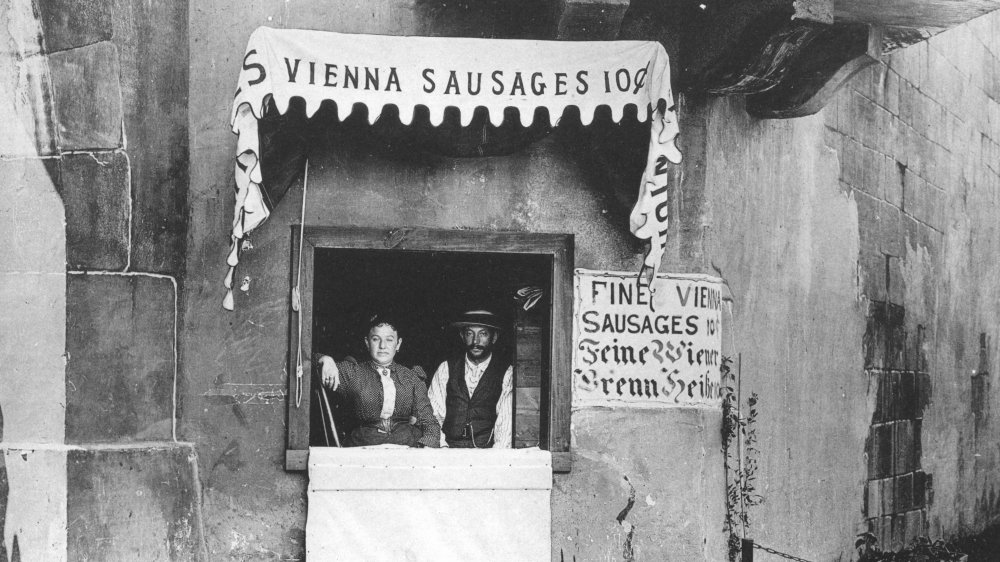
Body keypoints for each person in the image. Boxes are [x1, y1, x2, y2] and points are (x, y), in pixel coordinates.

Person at [315, 315, 440, 448]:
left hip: (406, 447)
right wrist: (324, 359)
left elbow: (429, 422)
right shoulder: (352, 373)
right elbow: (305, 362)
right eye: (376, 339)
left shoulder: (411, 377)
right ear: (367, 343)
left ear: (398, 344)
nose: (382, 346)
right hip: (363, 446)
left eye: (389, 340)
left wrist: (427, 448)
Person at [428, 310, 513, 448]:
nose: (475, 341)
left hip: (486, 453)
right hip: (449, 451)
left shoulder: (506, 372)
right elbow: (433, 415)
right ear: (462, 336)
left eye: (483, 334)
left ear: (494, 337)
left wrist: (495, 458)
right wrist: (442, 448)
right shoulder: (446, 368)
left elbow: (505, 424)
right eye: (469, 333)